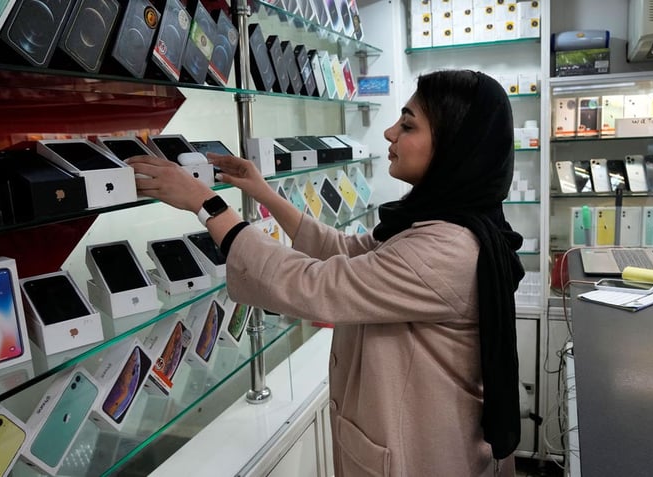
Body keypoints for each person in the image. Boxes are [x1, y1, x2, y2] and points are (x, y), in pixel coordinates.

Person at [128, 69, 525, 476]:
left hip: (422, 452)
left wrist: (206, 204)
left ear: (454, 148)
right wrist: (262, 191)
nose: (389, 133)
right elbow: (347, 252)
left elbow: (316, 287)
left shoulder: (446, 249)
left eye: (407, 125)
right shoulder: (444, 222)